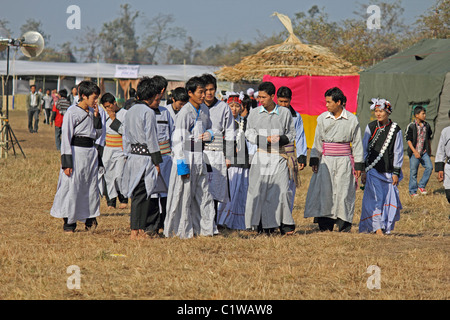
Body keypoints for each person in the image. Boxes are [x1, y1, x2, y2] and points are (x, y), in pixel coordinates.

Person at [304, 87, 364, 232]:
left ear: (338, 102)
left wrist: (358, 165)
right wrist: (315, 159)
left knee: (343, 192)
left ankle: (343, 225)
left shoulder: (351, 119)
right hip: (326, 161)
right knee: (326, 191)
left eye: (329, 102)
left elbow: (356, 143)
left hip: (344, 161)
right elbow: (317, 140)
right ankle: (325, 225)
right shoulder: (322, 118)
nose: (326, 105)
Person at [163, 76, 217, 239]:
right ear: (190, 93)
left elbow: (210, 128)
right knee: (183, 195)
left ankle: (205, 229)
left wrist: (211, 134)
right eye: (201, 92)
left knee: (204, 194)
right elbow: (178, 140)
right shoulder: (185, 113)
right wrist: (181, 164)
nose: (204, 95)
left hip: (200, 155)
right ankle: (180, 230)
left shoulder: (205, 110)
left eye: (206, 91)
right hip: (186, 156)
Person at [245, 82, 297, 235]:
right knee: (258, 190)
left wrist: (281, 138)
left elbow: (292, 134)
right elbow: (248, 133)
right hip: (261, 155)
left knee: (281, 190)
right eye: (259, 96)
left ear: (272, 96)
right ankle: (260, 225)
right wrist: (265, 139)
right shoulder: (254, 113)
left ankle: (285, 224)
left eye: (263, 97)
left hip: (279, 156)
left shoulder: (285, 113)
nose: (260, 100)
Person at [50, 81, 102, 233]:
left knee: (90, 187)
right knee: (72, 187)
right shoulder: (72, 112)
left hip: (90, 154)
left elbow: (97, 135)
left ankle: (89, 219)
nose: (96, 101)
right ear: (84, 96)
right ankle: (69, 223)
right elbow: (66, 138)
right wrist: (67, 163)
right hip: (76, 153)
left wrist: (97, 117)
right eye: (94, 97)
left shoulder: (93, 112)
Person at [121, 77, 163, 240]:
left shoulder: (130, 110)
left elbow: (125, 135)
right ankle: (136, 232)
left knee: (138, 195)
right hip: (145, 157)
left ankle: (136, 230)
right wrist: (157, 161)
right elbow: (152, 138)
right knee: (142, 195)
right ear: (151, 96)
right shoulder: (148, 112)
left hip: (132, 156)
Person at [359, 98, 404, 235]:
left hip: (389, 172)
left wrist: (396, 172)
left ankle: (385, 227)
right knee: (375, 199)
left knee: (388, 200)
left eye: (381, 111)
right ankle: (377, 227)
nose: (378, 114)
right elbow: (364, 149)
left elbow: (398, 152)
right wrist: (364, 170)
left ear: (388, 112)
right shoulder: (371, 127)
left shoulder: (395, 129)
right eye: (376, 111)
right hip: (373, 170)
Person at [200, 73, 235, 220]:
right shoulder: (197, 107)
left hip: (217, 153)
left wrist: (229, 157)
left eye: (212, 89)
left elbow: (231, 132)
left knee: (214, 190)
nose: (209, 93)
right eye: (206, 89)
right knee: (200, 189)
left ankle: (212, 223)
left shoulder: (223, 107)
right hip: (199, 152)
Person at [217, 92, 251, 230]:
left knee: (240, 191)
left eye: (237, 106)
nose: (234, 109)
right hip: (229, 162)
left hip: (243, 161)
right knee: (229, 190)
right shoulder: (223, 123)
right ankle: (222, 219)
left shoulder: (245, 122)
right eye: (231, 106)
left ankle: (236, 222)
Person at [148, 76, 175, 232]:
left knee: (165, 192)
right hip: (149, 158)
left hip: (165, 158)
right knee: (151, 192)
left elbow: (172, 135)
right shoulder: (144, 112)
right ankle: (151, 225)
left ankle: (164, 224)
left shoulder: (166, 112)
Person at [276, 86, 307, 212]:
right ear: (276, 99)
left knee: (288, 187)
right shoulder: (270, 114)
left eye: (286, 102)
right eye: (281, 101)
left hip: (289, 155)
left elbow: (300, 137)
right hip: (273, 153)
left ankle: (286, 217)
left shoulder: (296, 117)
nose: (283, 104)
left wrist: (301, 157)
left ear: (290, 100)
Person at [99, 93, 128, 210]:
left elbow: (125, 131)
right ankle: (111, 201)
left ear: (114, 103)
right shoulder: (103, 114)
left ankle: (123, 198)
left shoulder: (125, 114)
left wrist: (113, 119)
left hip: (120, 148)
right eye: (105, 107)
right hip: (108, 148)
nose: (107, 109)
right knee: (108, 175)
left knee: (119, 175)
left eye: (109, 106)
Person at [405, 106, 433, 197]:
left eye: (425, 113)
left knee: (429, 167)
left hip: (424, 152)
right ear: (416, 115)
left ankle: (421, 185)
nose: (424, 115)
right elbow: (408, 140)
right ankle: (412, 191)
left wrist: (429, 150)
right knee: (413, 172)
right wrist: (415, 152)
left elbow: (428, 138)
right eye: (422, 114)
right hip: (414, 152)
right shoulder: (411, 126)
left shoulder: (427, 125)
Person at [435, 110, 450, 204]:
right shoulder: (446, 131)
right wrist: (440, 169)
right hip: (449, 166)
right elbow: (441, 150)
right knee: (449, 194)